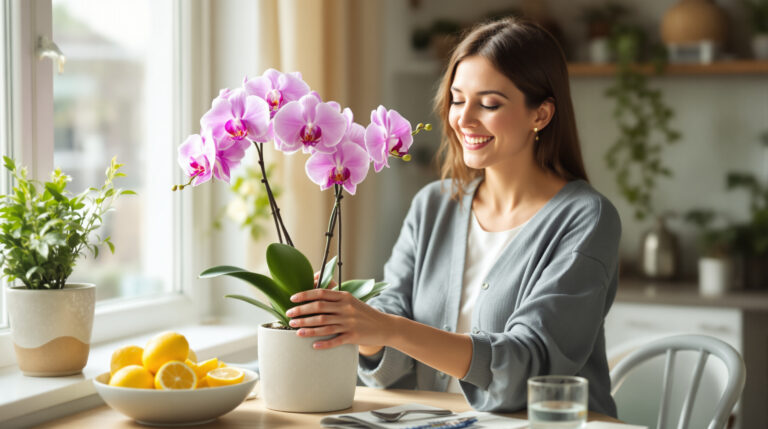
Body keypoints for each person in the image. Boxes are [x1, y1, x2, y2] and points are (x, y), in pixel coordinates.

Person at [285, 17, 620, 417]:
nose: (463, 119)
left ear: (541, 115)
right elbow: (392, 344)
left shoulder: (586, 217)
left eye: (490, 104)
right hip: (436, 422)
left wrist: (387, 328)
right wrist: (360, 327)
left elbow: (530, 369)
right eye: (458, 99)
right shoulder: (434, 205)